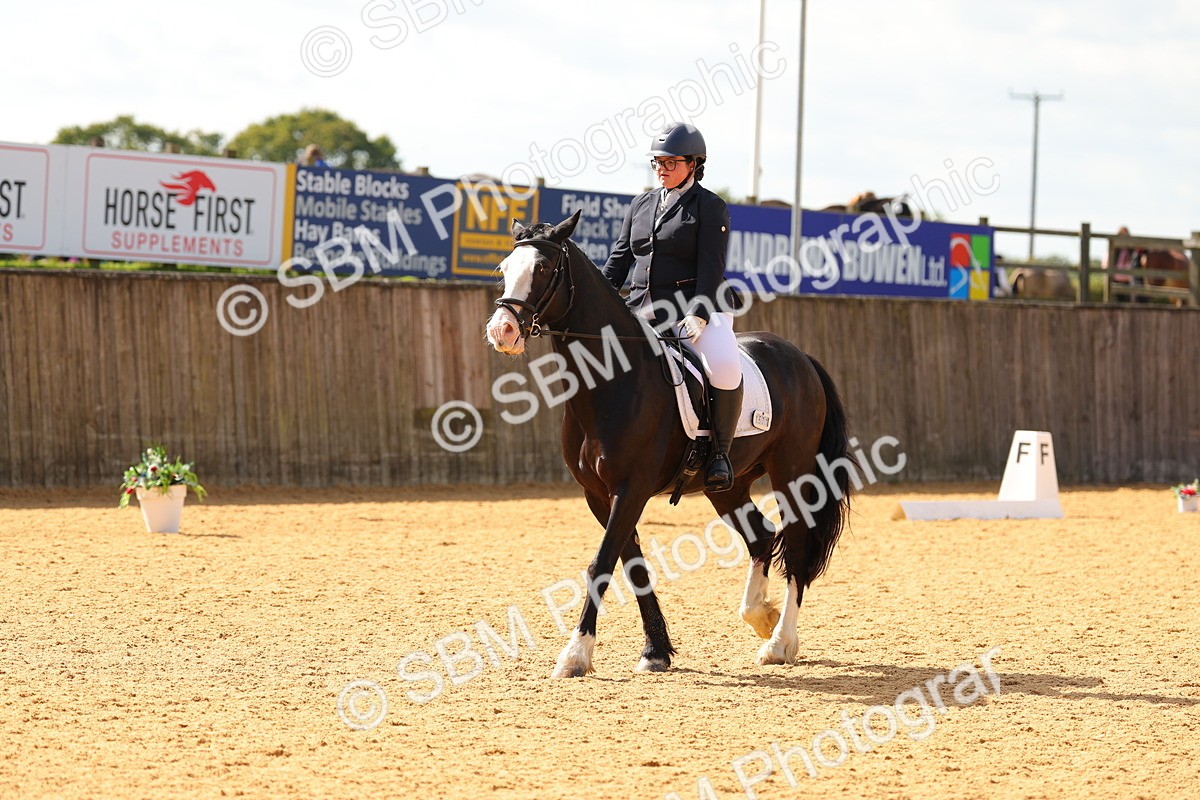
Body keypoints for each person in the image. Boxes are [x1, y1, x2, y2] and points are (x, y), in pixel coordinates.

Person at [601, 122, 743, 492]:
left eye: (670, 162)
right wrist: (600, 298)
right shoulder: (641, 204)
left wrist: (698, 312)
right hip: (640, 310)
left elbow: (711, 267)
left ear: (694, 164)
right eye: (656, 162)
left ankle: (720, 455)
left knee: (725, 368)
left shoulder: (710, 207)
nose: (661, 169)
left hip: (694, 308)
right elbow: (618, 260)